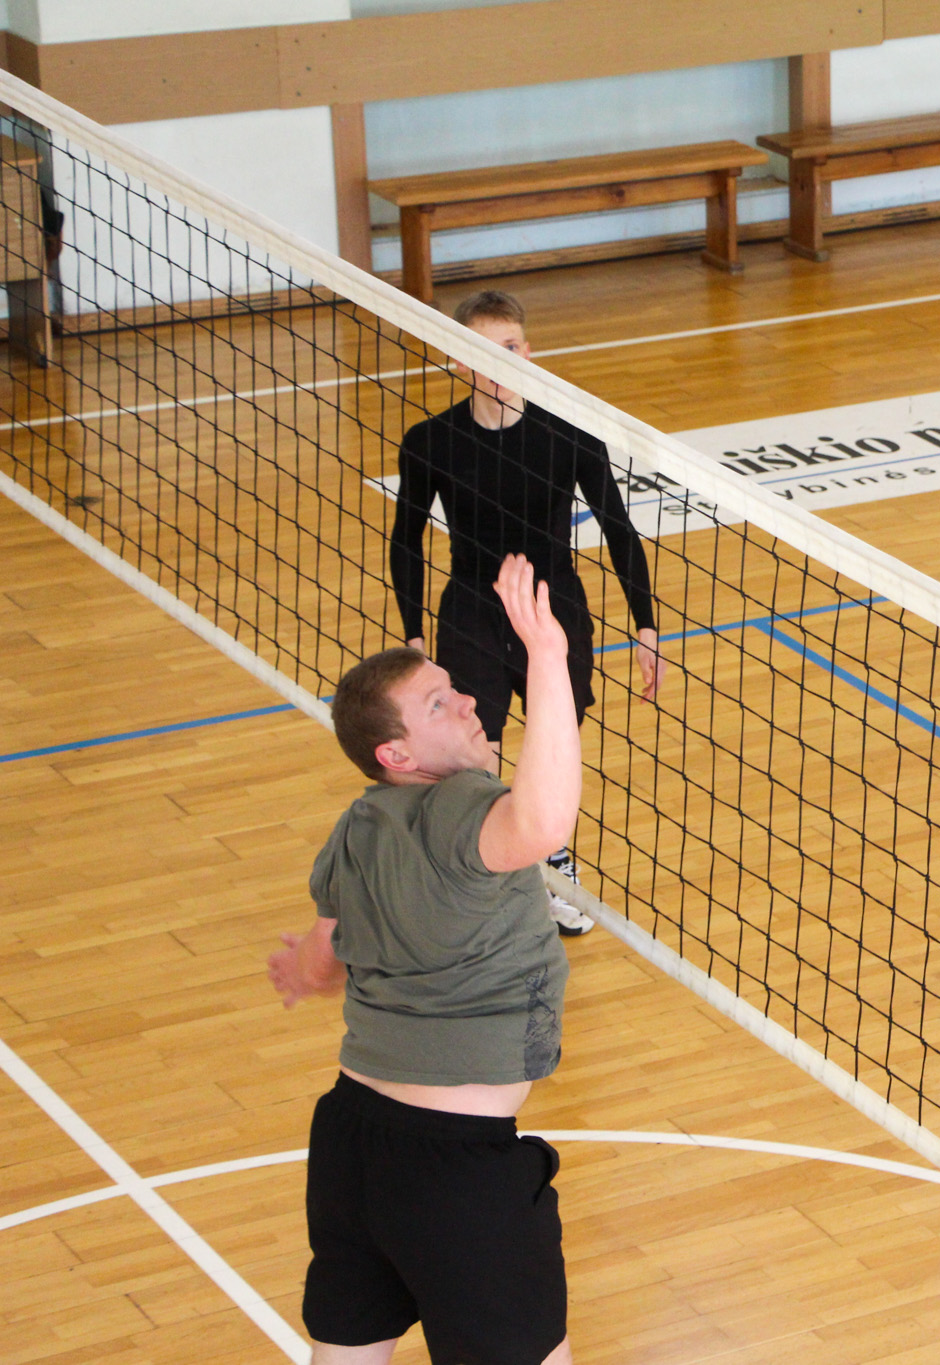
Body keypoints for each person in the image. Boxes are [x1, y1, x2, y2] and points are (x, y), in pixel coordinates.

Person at [269, 554, 580, 1365]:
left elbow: (325, 955)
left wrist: (304, 971)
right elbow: (545, 821)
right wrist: (547, 657)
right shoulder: (462, 809)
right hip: (456, 1170)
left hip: (351, 1143)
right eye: (440, 703)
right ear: (398, 755)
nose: (470, 700)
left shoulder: (359, 827)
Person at [389, 289, 666, 934]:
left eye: (509, 347)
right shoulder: (431, 441)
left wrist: (645, 625)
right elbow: (407, 539)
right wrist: (413, 634)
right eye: (482, 350)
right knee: (473, 754)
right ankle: (494, 877)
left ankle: (552, 864)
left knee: (552, 750)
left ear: (528, 351)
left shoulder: (569, 431)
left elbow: (619, 529)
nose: (499, 362)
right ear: (458, 358)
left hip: (554, 610)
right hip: (472, 611)